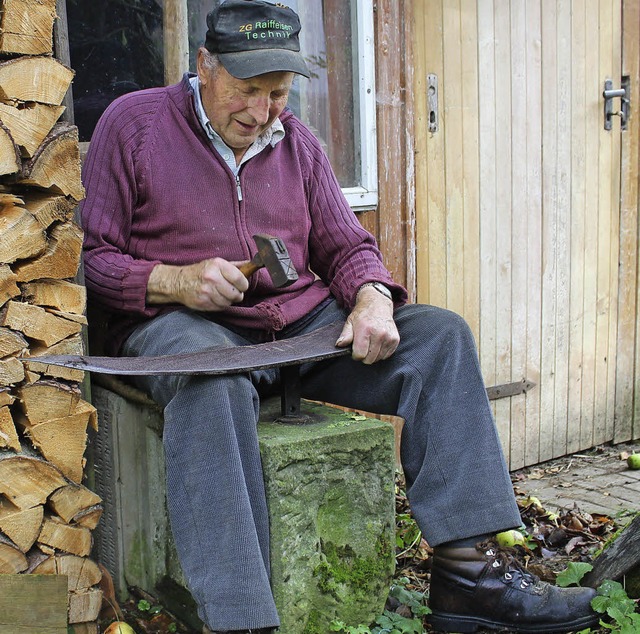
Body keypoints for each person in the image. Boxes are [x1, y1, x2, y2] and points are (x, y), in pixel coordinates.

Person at [79, 2, 600, 633]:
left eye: (277, 93)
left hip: (296, 327)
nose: (261, 112)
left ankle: (470, 578)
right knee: (208, 375)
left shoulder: (295, 141)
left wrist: (372, 296)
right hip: (180, 325)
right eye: (246, 90)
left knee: (439, 338)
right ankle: (242, 620)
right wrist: (172, 281)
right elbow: (94, 260)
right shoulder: (133, 125)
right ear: (204, 67)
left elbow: (348, 246)